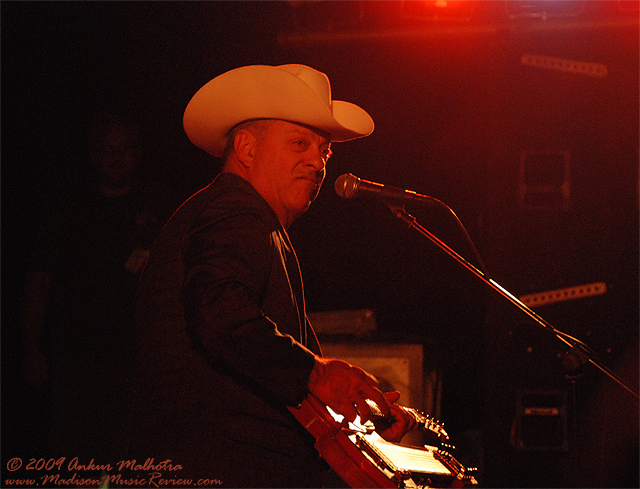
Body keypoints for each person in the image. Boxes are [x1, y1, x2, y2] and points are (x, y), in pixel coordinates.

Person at [127, 64, 416, 488]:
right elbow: (220, 313)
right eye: (300, 143)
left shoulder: (245, 218)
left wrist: (363, 421)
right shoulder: (236, 208)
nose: (317, 162)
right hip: (222, 465)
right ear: (246, 149)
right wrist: (317, 373)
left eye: (325, 150)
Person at [21, 110, 172, 465]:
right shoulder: (67, 212)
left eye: (122, 149)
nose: (114, 157)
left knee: (136, 455)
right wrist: (31, 348)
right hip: (76, 361)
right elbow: (39, 283)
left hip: (139, 361)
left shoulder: (161, 208)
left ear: (137, 153)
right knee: (79, 454)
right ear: (92, 154)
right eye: (105, 149)